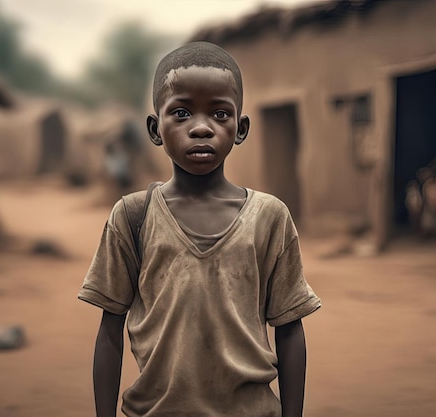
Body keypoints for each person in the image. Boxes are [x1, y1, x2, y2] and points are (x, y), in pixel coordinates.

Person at [78, 41, 321, 417]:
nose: (202, 128)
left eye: (220, 114)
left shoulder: (269, 217)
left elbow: (290, 329)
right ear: (155, 128)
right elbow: (110, 331)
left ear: (240, 129)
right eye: (181, 112)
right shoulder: (133, 216)